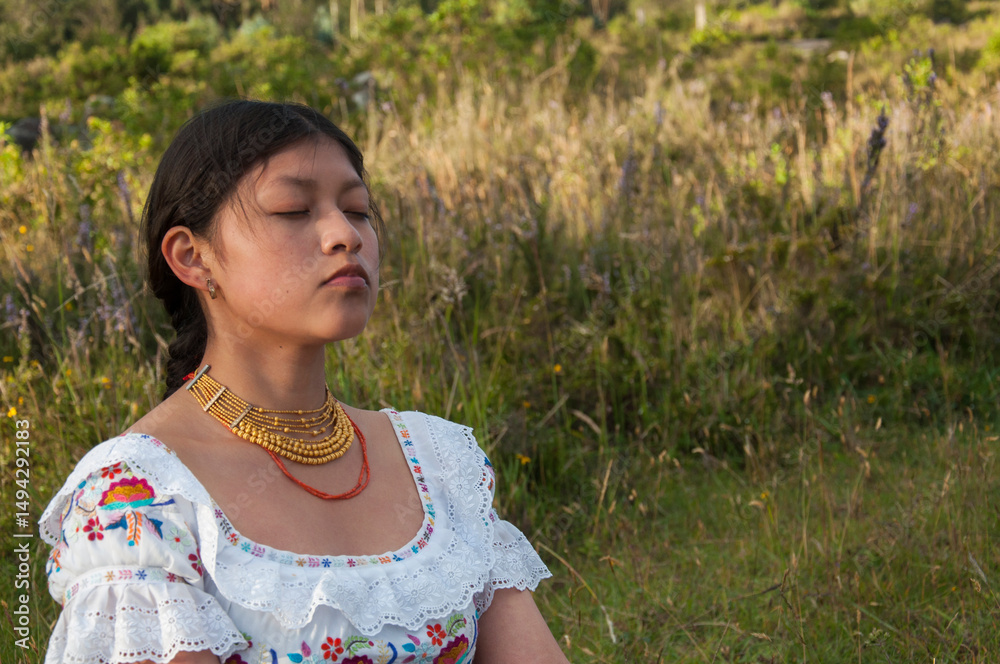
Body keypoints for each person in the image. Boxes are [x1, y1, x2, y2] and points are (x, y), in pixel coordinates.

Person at [38, 100, 570, 663]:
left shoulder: (438, 463)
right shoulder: (137, 499)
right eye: (294, 210)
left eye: (358, 210)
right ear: (193, 257)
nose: (345, 234)